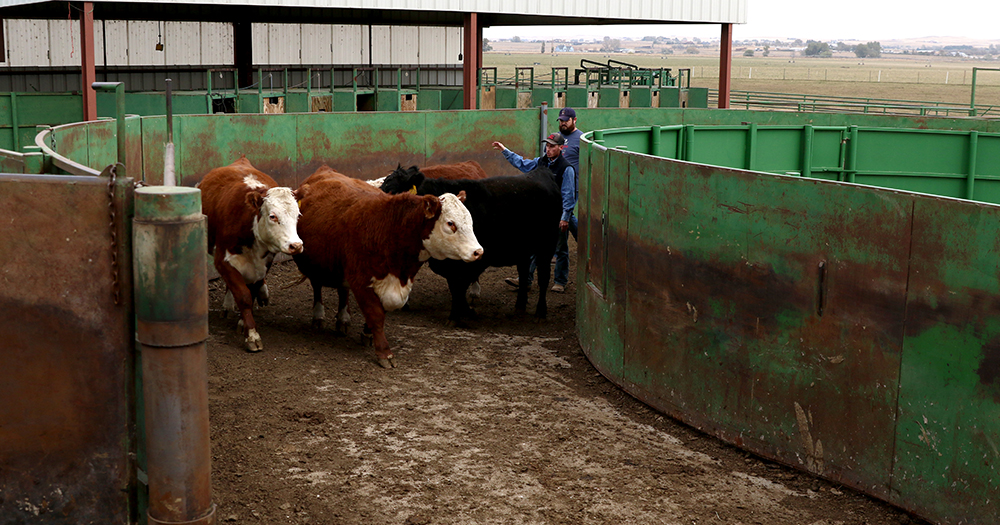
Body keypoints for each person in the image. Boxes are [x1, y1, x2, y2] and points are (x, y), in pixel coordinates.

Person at [491, 131, 576, 293]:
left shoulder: (566, 169)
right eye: (547, 146)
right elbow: (523, 164)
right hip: (541, 213)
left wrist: (565, 217)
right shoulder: (542, 162)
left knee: (560, 247)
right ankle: (526, 279)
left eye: (552, 147)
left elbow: (568, 195)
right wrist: (505, 151)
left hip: (557, 214)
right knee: (533, 244)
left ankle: (560, 281)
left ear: (561, 148)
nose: (548, 149)